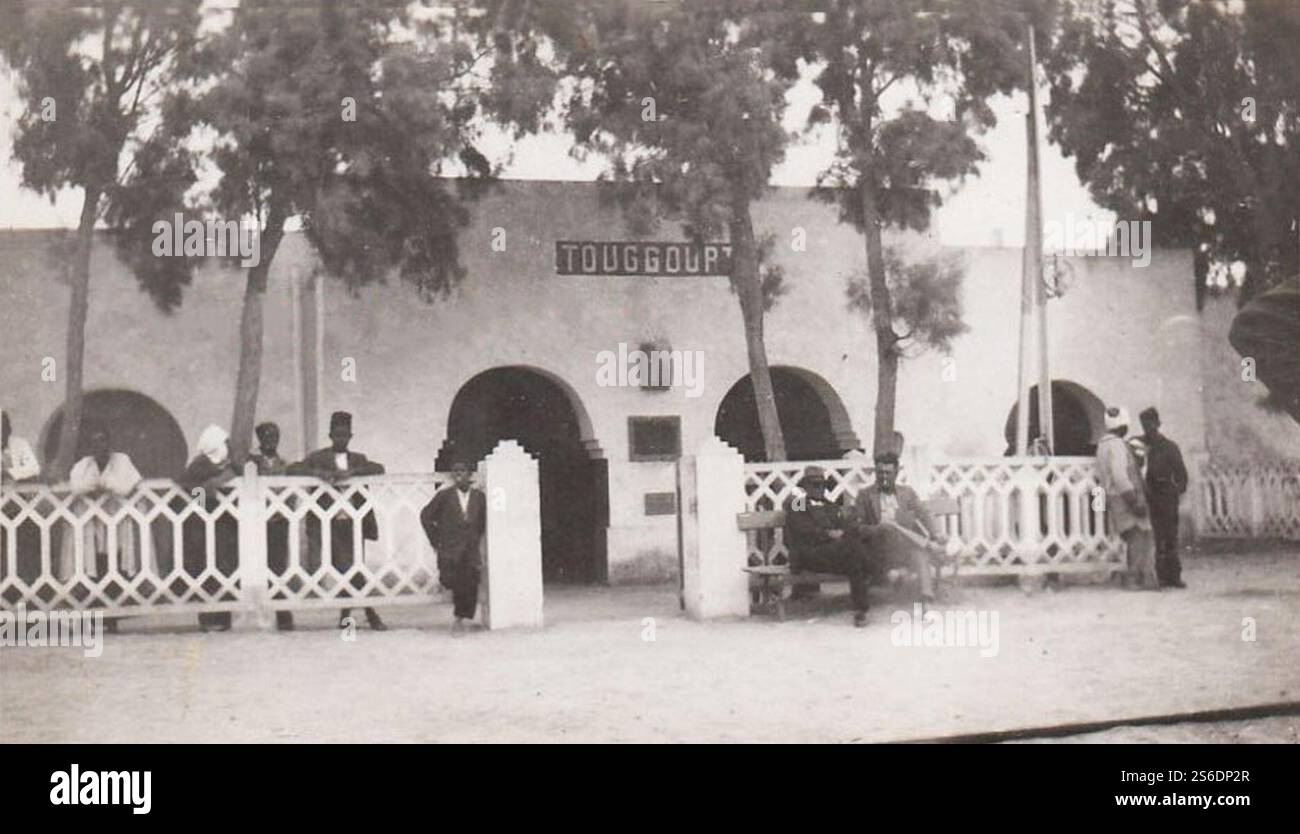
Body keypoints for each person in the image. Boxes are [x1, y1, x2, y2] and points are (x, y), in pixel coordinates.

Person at [292, 411, 387, 631]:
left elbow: (379, 468)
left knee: (355, 568)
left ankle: (350, 617)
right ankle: (368, 614)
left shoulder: (358, 459)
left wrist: (352, 473)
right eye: (337, 435)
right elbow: (294, 468)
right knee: (347, 568)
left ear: (350, 436)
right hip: (329, 523)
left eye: (345, 435)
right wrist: (319, 473)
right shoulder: (319, 457)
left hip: (354, 522)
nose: (341, 439)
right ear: (330, 435)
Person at [782, 466, 875, 627]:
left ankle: (861, 612)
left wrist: (843, 531)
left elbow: (846, 525)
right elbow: (802, 529)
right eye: (813, 485)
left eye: (821, 485)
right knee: (854, 553)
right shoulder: (799, 504)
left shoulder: (830, 506)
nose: (819, 489)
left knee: (854, 558)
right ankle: (878, 571)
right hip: (809, 554)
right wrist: (828, 534)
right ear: (805, 486)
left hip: (834, 554)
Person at [853, 451, 944, 605]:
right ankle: (928, 546)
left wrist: (936, 532)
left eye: (888, 473)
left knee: (919, 554)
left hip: (905, 546)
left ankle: (926, 598)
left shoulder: (906, 493)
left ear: (896, 472)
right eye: (879, 473)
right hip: (879, 548)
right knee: (893, 528)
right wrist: (877, 528)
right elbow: (858, 527)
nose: (883, 477)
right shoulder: (865, 495)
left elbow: (924, 513)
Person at [61, 424, 144, 582]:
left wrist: (105, 484)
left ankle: (120, 580)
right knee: (93, 545)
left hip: (117, 512)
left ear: (108, 442)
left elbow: (128, 486)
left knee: (118, 546)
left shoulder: (122, 459)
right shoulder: (84, 464)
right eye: (94, 442)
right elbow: (76, 487)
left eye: (102, 440)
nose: (98, 445)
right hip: (92, 515)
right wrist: (94, 484)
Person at [182, 425, 240, 631]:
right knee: (205, 568)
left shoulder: (227, 467)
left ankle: (224, 616)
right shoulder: (198, 466)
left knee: (225, 568)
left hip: (224, 526)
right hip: (202, 527)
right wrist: (206, 492)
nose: (228, 448)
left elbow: (235, 475)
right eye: (225, 444)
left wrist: (218, 482)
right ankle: (207, 617)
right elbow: (192, 493)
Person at [1095, 406, 1158, 590]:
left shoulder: (1103, 445)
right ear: (1122, 426)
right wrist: (1133, 500)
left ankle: (1143, 577)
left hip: (1114, 496)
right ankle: (1135, 578)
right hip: (1125, 496)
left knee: (1136, 536)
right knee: (1139, 536)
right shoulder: (1117, 445)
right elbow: (1119, 475)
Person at [420, 459, 487, 634]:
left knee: (469, 582)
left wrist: (475, 536)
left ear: (470, 475)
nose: (458, 474)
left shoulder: (479, 497)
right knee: (452, 581)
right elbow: (425, 516)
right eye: (455, 471)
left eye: (462, 470)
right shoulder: (444, 496)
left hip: (471, 550)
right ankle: (460, 616)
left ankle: (460, 620)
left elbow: (482, 522)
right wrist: (436, 541)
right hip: (450, 549)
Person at [250, 421, 294, 630]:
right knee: (259, 567)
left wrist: (288, 508)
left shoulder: (282, 462)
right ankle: (260, 613)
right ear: (260, 439)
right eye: (267, 437)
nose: (271, 441)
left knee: (278, 566)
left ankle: (282, 613)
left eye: (275, 436)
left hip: (278, 521)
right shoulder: (253, 463)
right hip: (259, 521)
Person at [1140, 407, 1189, 588]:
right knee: (1155, 537)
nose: (1148, 428)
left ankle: (1173, 577)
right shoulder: (1139, 446)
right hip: (1148, 496)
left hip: (1166, 496)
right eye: (1144, 425)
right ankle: (1158, 576)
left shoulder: (1169, 447)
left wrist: (1176, 490)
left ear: (1158, 424)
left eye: (1151, 424)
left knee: (1169, 537)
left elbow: (1182, 474)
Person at [1, 411, 42, 585]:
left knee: (27, 540)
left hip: (20, 505)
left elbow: (34, 468)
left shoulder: (19, 444)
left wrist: (10, 473)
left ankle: (26, 586)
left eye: (3, 427)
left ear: (8, 428)